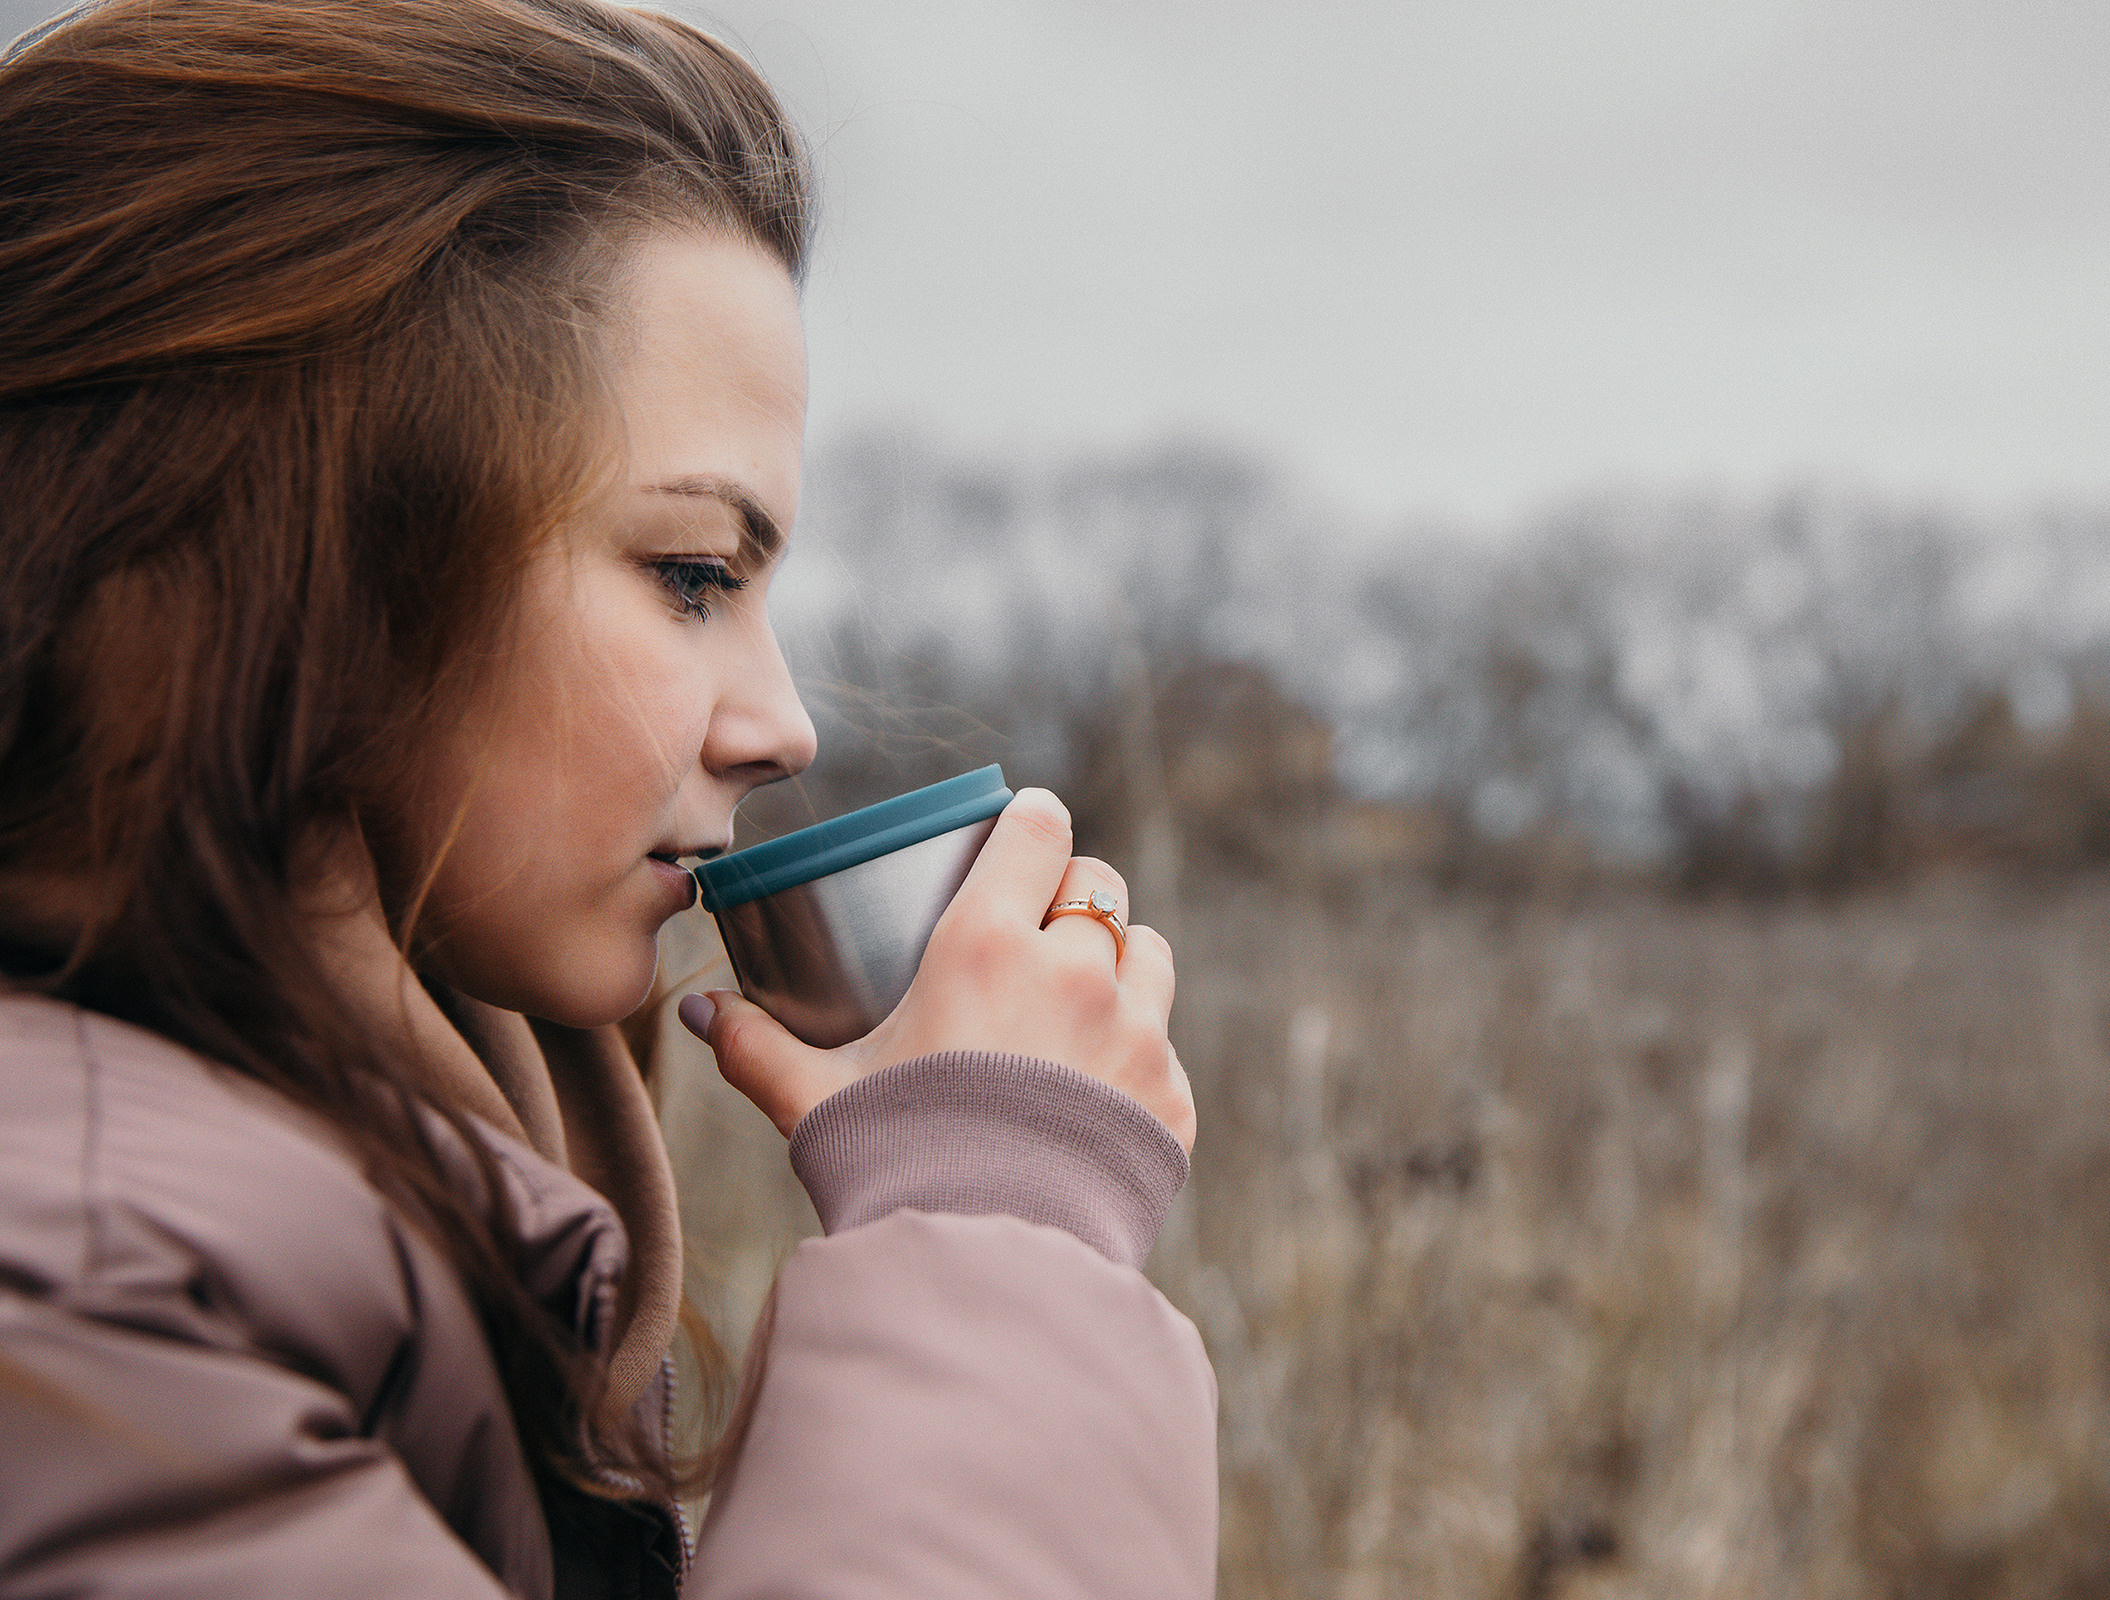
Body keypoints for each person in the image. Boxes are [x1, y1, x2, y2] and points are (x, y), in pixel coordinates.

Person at [0, 2, 1216, 1595]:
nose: (782, 726)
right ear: (305, 543)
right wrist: (1000, 1228)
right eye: (692, 572)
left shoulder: (372, 1183)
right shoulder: (78, 1278)